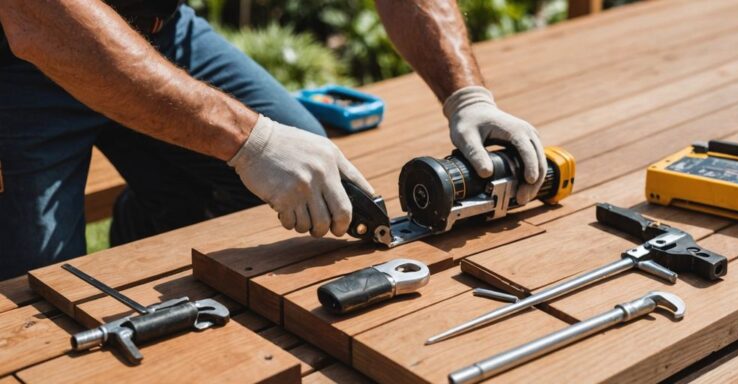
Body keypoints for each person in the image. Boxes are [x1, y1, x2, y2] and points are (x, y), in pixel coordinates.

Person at [0, 0, 546, 280]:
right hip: (22, 49)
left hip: (157, 26)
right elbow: (35, 14)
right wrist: (250, 141)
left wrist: (466, 96)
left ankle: (145, 217)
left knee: (303, 165)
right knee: (32, 292)